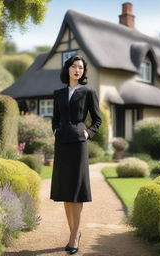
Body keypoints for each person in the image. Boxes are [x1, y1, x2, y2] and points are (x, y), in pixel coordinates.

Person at [50, 55, 102, 254]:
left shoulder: (89, 92)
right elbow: (55, 118)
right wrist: (55, 130)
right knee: (65, 191)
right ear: (68, 69)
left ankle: (74, 236)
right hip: (62, 143)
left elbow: (97, 119)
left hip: (79, 144)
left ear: (83, 72)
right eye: (74, 66)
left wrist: (89, 132)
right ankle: (75, 233)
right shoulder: (58, 93)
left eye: (81, 67)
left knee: (76, 190)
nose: (77, 70)